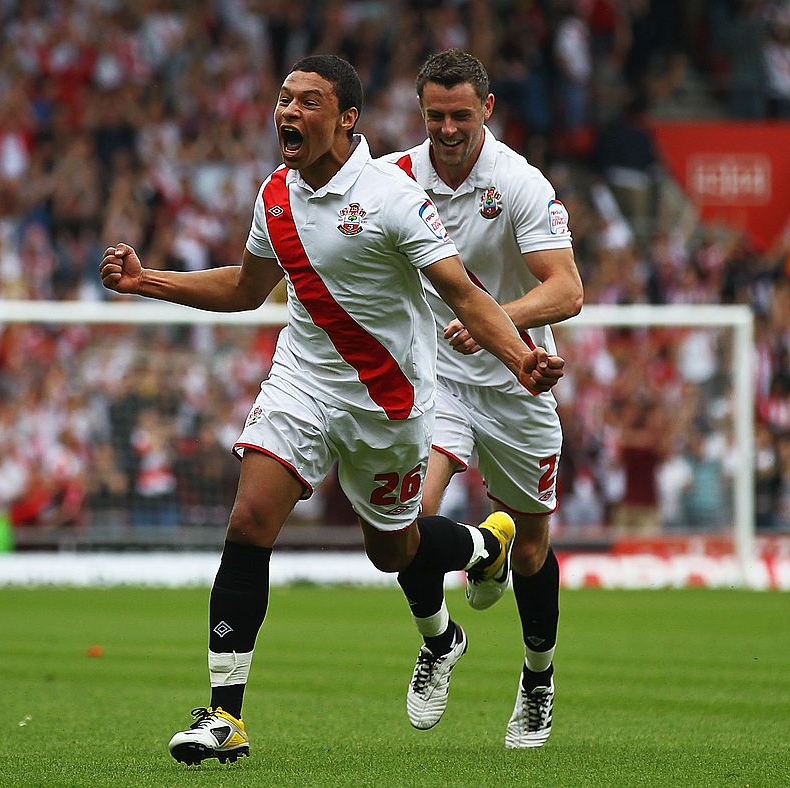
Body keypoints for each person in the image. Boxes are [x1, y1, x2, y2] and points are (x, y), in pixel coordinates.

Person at [99, 54, 564, 766]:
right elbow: (246, 289)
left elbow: (466, 296)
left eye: (309, 102)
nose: (289, 112)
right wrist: (147, 280)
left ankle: (478, 553)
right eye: (284, 99)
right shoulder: (275, 195)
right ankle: (226, 716)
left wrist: (519, 358)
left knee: (393, 551)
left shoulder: (393, 199)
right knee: (250, 519)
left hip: (389, 404)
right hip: (303, 382)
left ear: (347, 119)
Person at [381, 49, 583, 748]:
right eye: (434, 115)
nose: (446, 128)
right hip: (433, 379)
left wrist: (499, 320)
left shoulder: (518, 182)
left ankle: (536, 680)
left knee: (531, 551)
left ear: (486, 110)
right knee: (402, 524)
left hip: (517, 379)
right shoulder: (394, 177)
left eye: (459, 114)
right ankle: (440, 641)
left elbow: (568, 290)